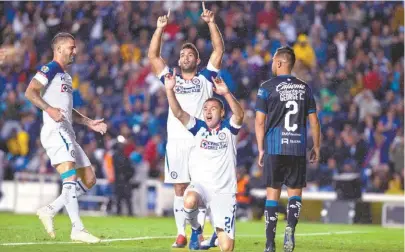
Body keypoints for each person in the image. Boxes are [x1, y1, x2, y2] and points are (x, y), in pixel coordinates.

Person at [147, 2, 224, 248]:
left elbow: (219, 50)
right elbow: (152, 56)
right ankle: (182, 233)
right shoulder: (171, 78)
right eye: (182, 54)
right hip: (177, 142)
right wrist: (159, 29)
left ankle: (200, 232)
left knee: (202, 189)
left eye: (190, 54)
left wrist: (211, 23)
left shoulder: (205, 79)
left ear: (198, 60)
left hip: (200, 141)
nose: (185, 57)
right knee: (180, 188)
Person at [24, 32, 107, 243]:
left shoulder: (66, 76)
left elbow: (68, 110)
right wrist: (49, 109)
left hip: (67, 130)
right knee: (70, 176)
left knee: (89, 179)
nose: (75, 51)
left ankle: (50, 209)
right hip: (55, 130)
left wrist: (89, 122)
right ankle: (77, 228)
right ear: (59, 49)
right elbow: (30, 92)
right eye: (72, 47)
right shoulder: (50, 68)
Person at [164, 70, 244, 251]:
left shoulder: (229, 130)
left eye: (213, 108)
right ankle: (196, 230)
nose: (207, 112)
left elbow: (239, 115)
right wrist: (170, 90)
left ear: (222, 113)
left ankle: (213, 239)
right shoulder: (198, 128)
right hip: (201, 186)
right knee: (189, 200)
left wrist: (226, 93)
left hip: (223, 192)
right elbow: (178, 113)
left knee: (227, 248)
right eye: (205, 109)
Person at [254, 46, 321, 252]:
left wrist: (260, 149)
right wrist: (316, 146)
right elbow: (314, 122)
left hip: (274, 147)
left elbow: (259, 122)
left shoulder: (266, 87)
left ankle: (269, 244)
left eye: (274, 60)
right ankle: (290, 229)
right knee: (294, 194)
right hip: (297, 148)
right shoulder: (305, 88)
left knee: (272, 195)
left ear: (280, 63)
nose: (272, 63)